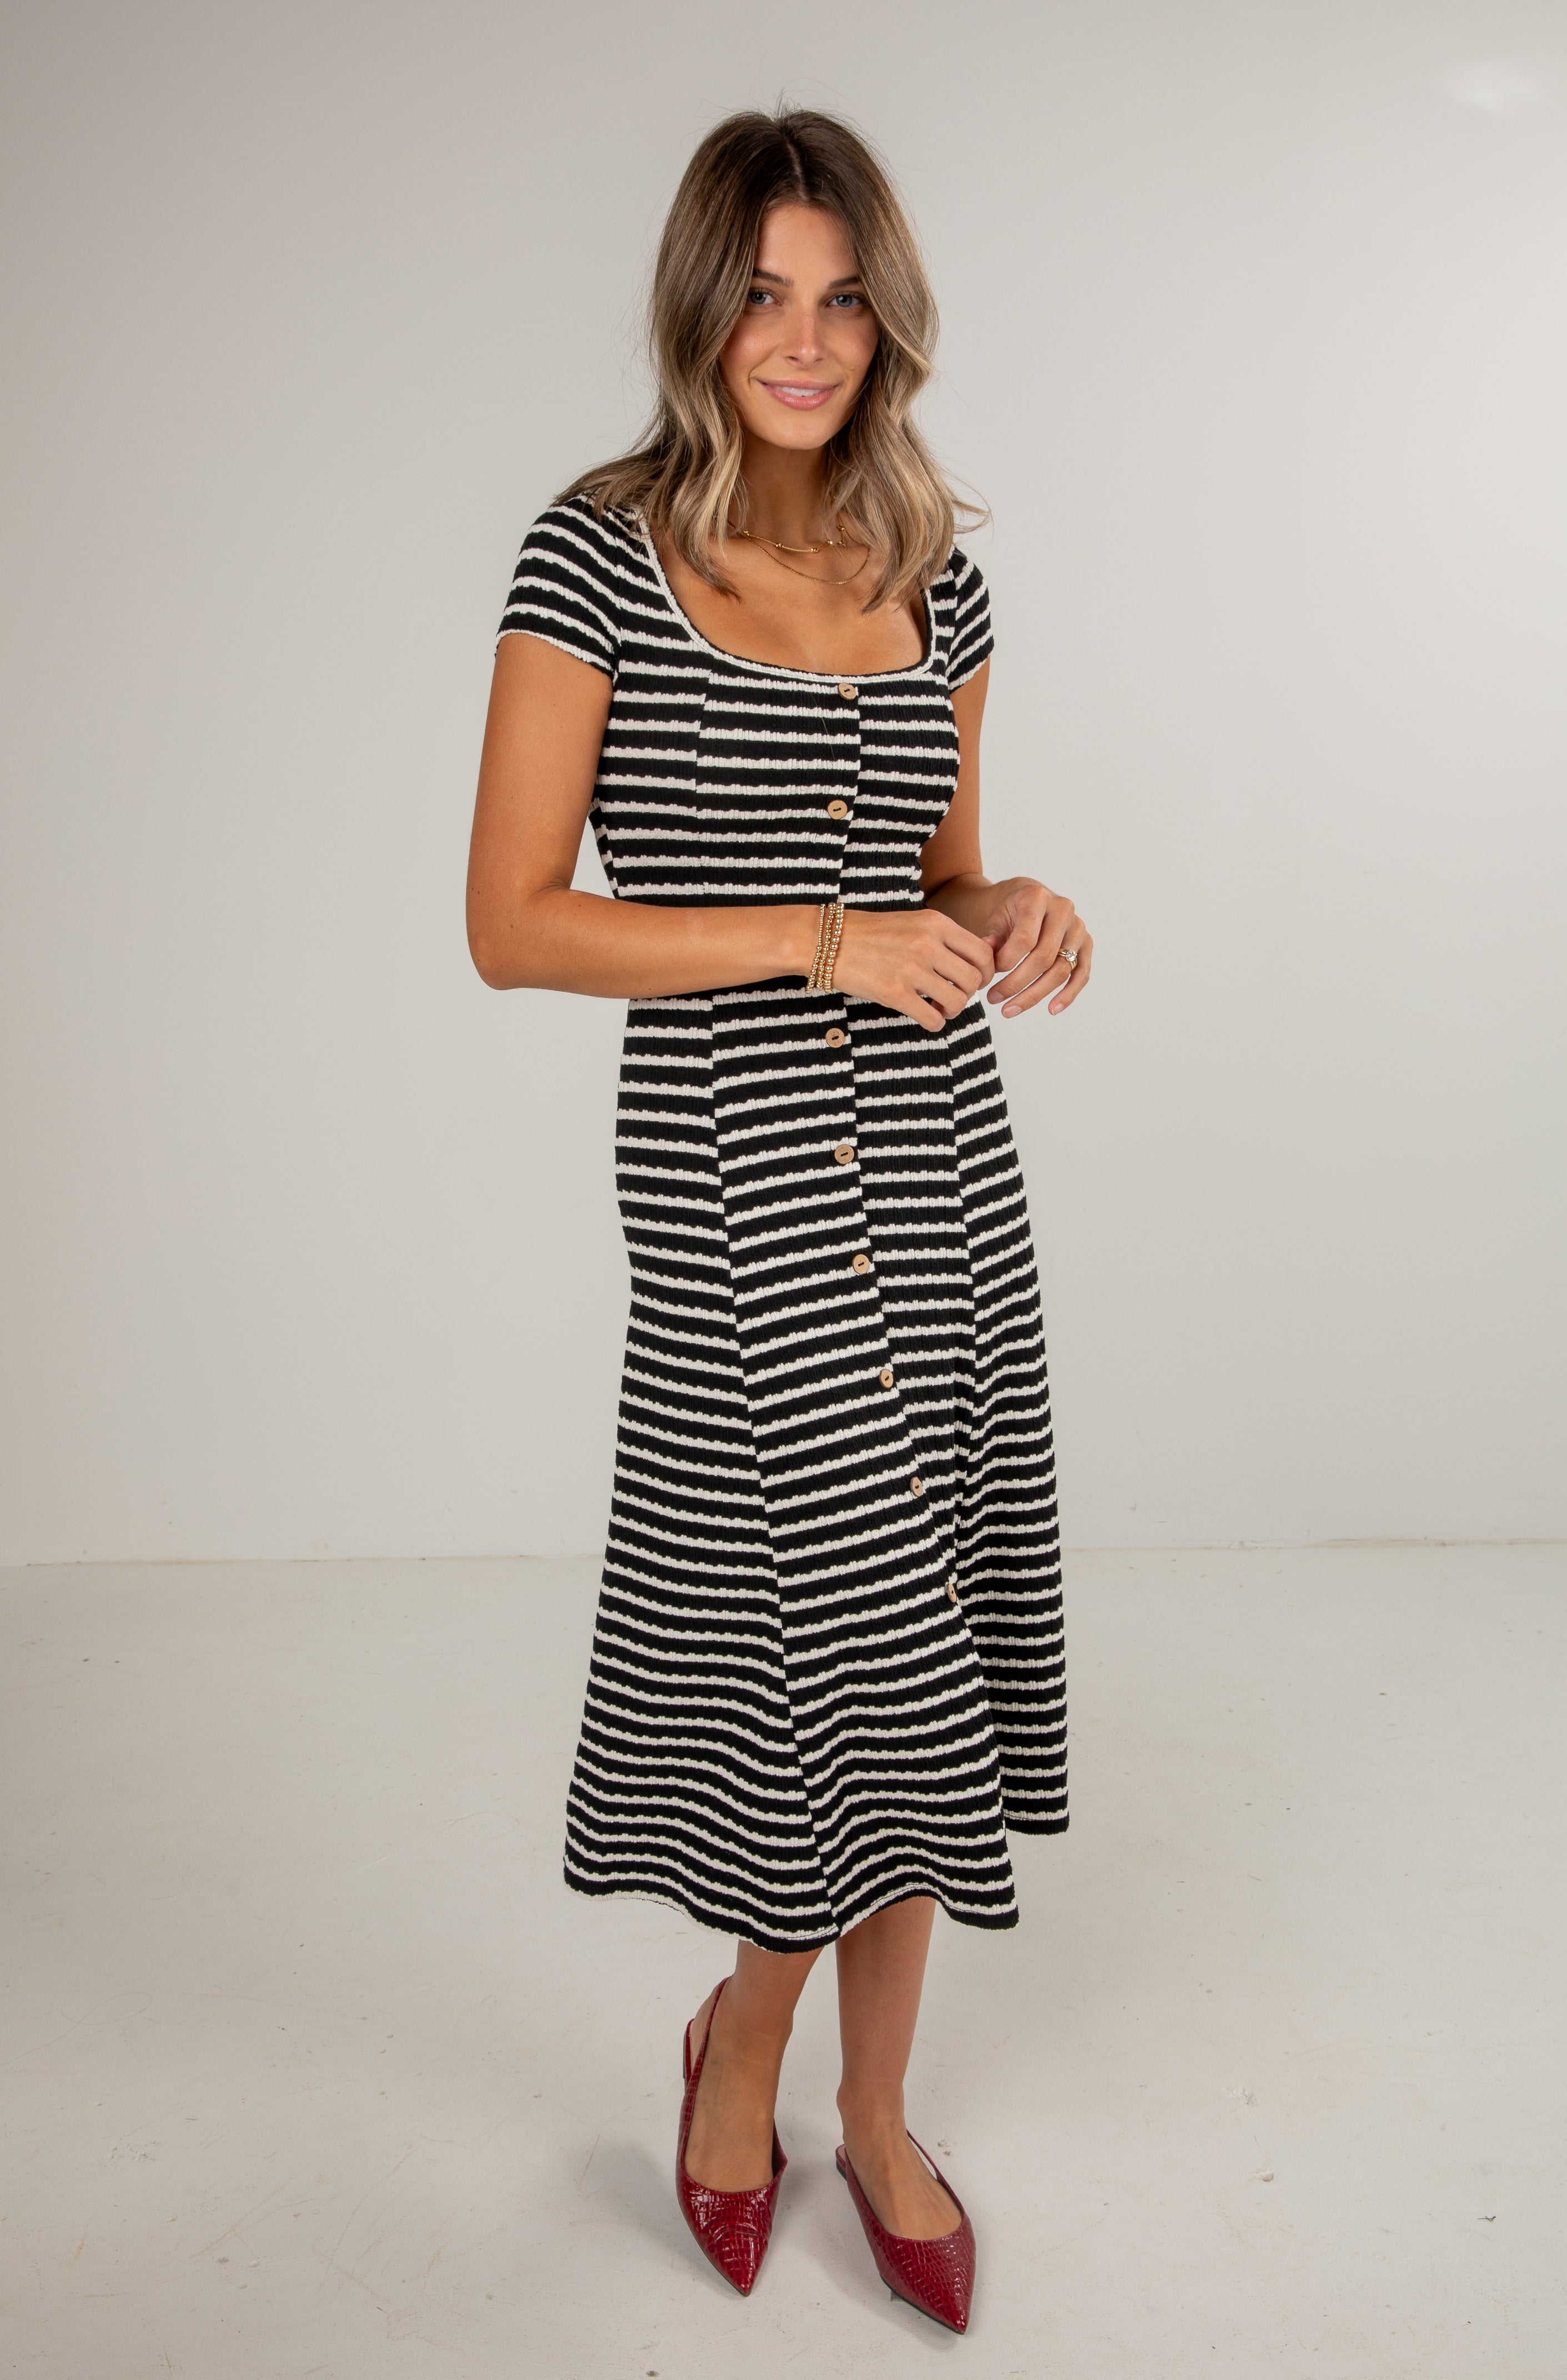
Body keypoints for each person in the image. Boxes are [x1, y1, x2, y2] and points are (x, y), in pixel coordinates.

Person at [466, 106, 1092, 2334]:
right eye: (761, 293)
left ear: (883, 320)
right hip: (731, 1164)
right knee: (849, 1632)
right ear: (700, 307)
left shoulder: (939, 567)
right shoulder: (597, 554)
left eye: (839, 297)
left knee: (923, 1621)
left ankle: (874, 2105)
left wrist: (1016, 909)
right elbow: (515, 924)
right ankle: (747, 2036)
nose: (803, 338)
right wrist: (814, 941)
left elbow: (944, 877)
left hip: (938, 1160)